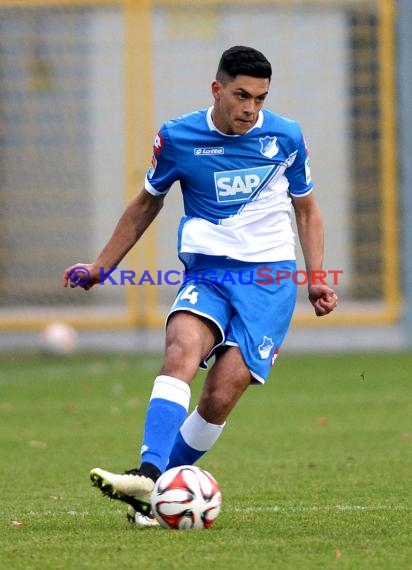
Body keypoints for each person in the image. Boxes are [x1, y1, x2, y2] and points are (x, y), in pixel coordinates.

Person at [63, 45, 338, 526]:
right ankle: (149, 475)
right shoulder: (178, 137)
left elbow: (307, 209)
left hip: (269, 281)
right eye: (240, 95)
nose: (250, 109)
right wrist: (103, 266)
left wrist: (316, 277)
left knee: (218, 396)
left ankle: (158, 491)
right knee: (180, 351)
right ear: (217, 89)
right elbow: (146, 203)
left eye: (260, 98)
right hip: (208, 272)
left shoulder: (285, 136)